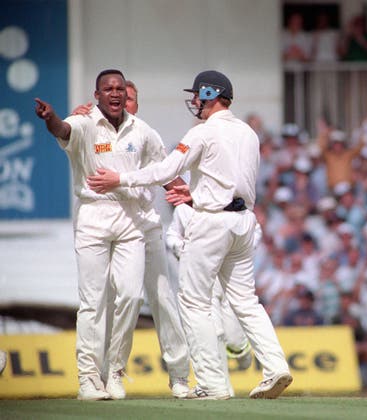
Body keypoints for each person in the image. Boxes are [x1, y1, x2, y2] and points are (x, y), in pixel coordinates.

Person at [87, 70, 293, 400]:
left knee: (193, 302)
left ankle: (213, 384)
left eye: (198, 95)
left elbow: (166, 171)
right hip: (243, 221)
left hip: (211, 223)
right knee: (246, 301)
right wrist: (198, 195)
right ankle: (276, 367)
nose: (195, 101)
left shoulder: (201, 133)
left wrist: (120, 179)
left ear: (212, 95)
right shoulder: (249, 134)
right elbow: (234, 183)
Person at [34, 69, 185, 401]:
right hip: (94, 216)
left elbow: (163, 170)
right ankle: (88, 378)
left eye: (121, 89)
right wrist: (51, 117)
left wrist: (186, 192)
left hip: (131, 218)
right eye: (109, 89)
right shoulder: (85, 122)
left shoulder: (142, 130)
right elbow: (62, 130)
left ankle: (115, 371)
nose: (116, 94)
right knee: (93, 301)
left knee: (131, 297)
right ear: (97, 95)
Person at [166, 203, 255, 397]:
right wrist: (182, 249)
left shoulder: (229, 202)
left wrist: (236, 252)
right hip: (203, 279)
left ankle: (241, 350)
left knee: (233, 337)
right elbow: (172, 235)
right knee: (216, 332)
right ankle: (222, 386)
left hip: (231, 277)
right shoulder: (184, 209)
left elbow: (253, 230)